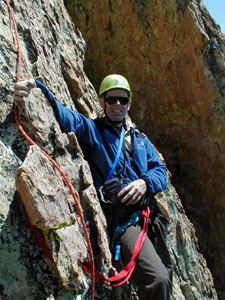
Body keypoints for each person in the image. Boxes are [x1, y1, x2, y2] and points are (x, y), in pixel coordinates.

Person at [14, 74, 172, 300]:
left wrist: (145, 182)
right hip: (126, 223)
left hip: (152, 219)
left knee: (166, 276)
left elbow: (159, 172)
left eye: (122, 100)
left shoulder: (140, 140)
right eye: (111, 100)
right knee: (157, 279)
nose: (117, 104)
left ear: (129, 103)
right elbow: (66, 117)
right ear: (101, 102)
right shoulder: (94, 131)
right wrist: (36, 88)